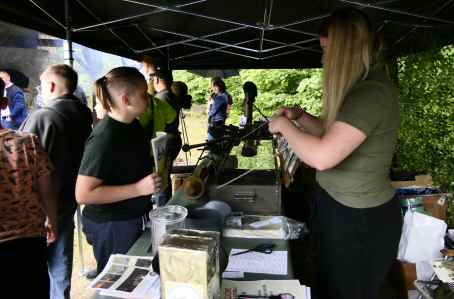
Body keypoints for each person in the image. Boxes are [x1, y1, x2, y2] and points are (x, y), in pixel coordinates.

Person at [268, 8, 401, 299]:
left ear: (343, 50)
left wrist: (283, 127)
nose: (323, 58)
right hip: (338, 209)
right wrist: (300, 117)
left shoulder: (371, 93)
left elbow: (323, 156)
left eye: (326, 50)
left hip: (360, 221)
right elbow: (332, 135)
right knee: (329, 284)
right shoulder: (357, 89)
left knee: (347, 291)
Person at [75, 67, 161, 274]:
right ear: (126, 99)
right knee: (118, 284)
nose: (148, 98)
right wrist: (139, 189)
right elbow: (83, 193)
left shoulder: (133, 125)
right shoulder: (105, 138)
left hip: (132, 217)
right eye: (143, 94)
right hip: (112, 225)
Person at [20, 64, 93, 299]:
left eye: (42, 86)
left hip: (41, 206)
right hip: (68, 198)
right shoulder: (82, 113)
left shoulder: (44, 116)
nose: (40, 90)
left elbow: (23, 163)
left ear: (51, 85)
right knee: (61, 267)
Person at [0, 78, 58, 299]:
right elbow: (47, 190)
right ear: (4, 103)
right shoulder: (28, 142)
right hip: (30, 242)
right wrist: (51, 219)